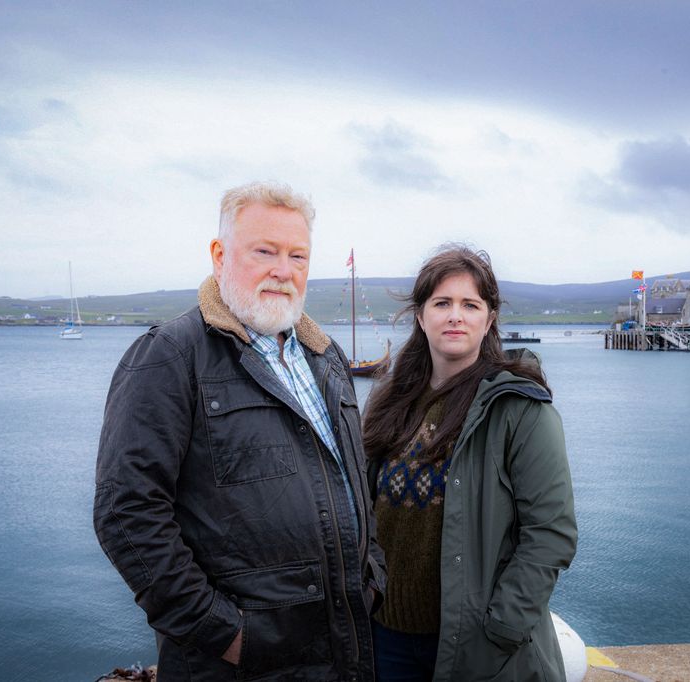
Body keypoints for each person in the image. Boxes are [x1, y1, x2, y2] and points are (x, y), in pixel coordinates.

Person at [94, 181, 386, 682]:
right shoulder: (171, 356)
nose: (283, 271)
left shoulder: (327, 358)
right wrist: (226, 635)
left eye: (298, 256)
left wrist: (371, 573)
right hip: (236, 665)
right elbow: (127, 513)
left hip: (342, 652)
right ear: (219, 255)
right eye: (265, 251)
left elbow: (351, 482)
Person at [362, 245, 577, 681]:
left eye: (470, 305)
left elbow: (551, 534)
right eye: (441, 303)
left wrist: (501, 627)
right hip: (385, 635)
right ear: (421, 317)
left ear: (489, 319)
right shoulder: (388, 402)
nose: (455, 316)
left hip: (473, 642)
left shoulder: (520, 409)